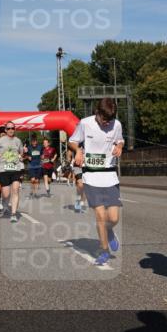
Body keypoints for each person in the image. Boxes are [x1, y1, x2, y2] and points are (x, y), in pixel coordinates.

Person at [68, 98, 125, 265]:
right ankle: (104, 250)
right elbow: (72, 141)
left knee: (113, 218)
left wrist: (119, 146)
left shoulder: (116, 124)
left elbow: (120, 140)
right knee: (100, 215)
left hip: (109, 176)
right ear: (97, 112)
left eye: (110, 120)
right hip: (91, 176)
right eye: (104, 119)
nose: (107, 123)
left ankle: (109, 230)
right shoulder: (85, 123)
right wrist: (78, 150)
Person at [0, 121, 25, 222]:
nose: (11, 130)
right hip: (4, 169)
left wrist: (21, 156)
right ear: (6, 130)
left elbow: (21, 153)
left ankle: (14, 214)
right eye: (9, 128)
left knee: (15, 190)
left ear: (14, 129)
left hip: (15, 169)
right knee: (6, 194)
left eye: (12, 128)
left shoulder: (18, 141)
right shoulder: (0, 141)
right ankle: (5, 203)